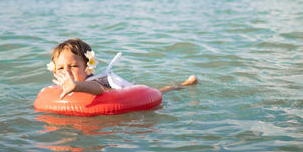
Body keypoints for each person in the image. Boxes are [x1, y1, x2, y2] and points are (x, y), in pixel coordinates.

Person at [47, 38, 197, 99]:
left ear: (89, 69)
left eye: (73, 66)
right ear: (54, 72)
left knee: (161, 92)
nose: (66, 71)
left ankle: (183, 84)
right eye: (60, 68)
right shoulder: (61, 87)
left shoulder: (96, 82)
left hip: (129, 96)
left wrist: (77, 86)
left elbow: (97, 89)